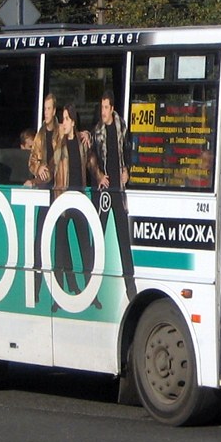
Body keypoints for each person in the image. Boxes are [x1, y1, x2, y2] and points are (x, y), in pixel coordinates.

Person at [50, 103, 100, 310]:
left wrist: (99, 176)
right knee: (60, 250)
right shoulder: (59, 143)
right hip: (62, 200)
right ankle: (59, 296)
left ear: (73, 121)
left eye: (66, 119)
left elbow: (91, 162)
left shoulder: (81, 142)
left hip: (78, 198)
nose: (63, 123)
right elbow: (53, 163)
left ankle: (91, 293)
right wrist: (60, 138)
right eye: (62, 120)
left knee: (85, 248)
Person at [91, 90, 136, 300]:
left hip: (118, 190)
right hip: (104, 191)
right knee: (98, 235)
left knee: (122, 238)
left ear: (112, 109)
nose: (103, 112)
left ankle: (130, 285)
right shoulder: (97, 132)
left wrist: (127, 170)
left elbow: (128, 153)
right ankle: (91, 284)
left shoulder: (122, 128)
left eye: (106, 107)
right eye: (101, 107)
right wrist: (100, 175)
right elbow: (92, 158)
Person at [29, 93, 58, 188]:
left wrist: (86, 134)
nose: (46, 112)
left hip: (59, 183)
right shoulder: (40, 136)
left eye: (49, 109)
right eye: (45, 109)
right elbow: (31, 161)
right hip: (44, 184)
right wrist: (38, 169)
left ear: (54, 111)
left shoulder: (62, 132)